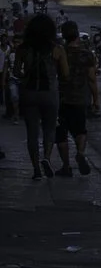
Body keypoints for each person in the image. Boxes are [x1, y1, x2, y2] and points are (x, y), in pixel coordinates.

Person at [17, 13, 62, 178]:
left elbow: (16, 71)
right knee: (50, 129)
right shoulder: (56, 49)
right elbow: (64, 73)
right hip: (49, 92)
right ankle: (47, 158)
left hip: (29, 93)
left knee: (32, 132)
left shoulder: (22, 48)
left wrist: (25, 76)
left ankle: (36, 169)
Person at [54, 22, 97, 176]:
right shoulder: (86, 54)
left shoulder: (59, 52)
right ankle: (80, 152)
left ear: (64, 36)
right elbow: (92, 79)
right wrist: (96, 100)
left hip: (61, 98)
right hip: (80, 98)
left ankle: (66, 167)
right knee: (81, 130)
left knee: (61, 133)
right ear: (77, 35)